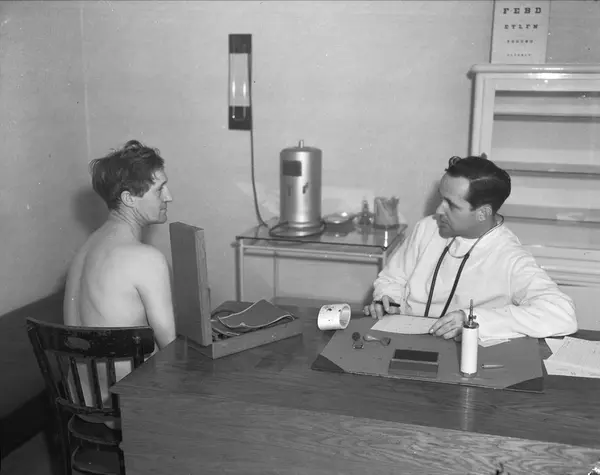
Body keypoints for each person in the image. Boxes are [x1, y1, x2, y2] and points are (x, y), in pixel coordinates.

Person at [364, 155, 577, 343]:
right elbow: (392, 279)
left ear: (483, 213)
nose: (439, 210)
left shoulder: (510, 257)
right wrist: (388, 300)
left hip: (466, 352)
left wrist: (472, 320)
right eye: (441, 198)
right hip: (403, 339)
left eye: (451, 205)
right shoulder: (427, 228)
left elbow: (562, 314)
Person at [63, 139, 176, 413]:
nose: (169, 196)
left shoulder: (83, 251)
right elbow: (171, 349)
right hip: (126, 411)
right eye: (159, 189)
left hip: (80, 403)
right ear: (128, 199)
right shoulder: (146, 259)